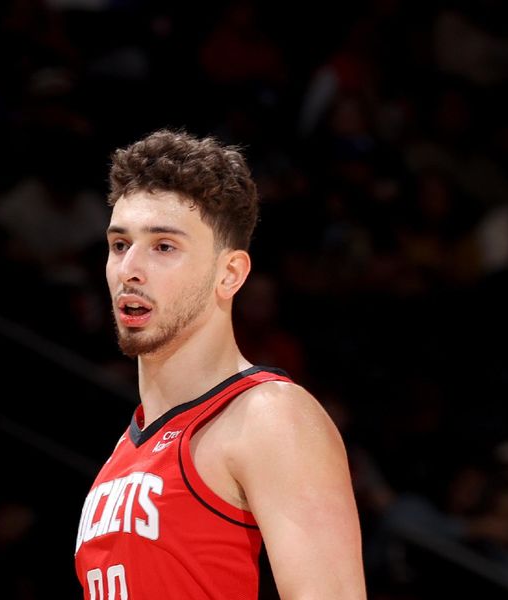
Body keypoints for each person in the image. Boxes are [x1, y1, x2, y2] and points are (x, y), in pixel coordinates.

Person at [74, 129, 366, 599]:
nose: (130, 268)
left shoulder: (270, 417)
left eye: (164, 246)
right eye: (119, 244)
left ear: (229, 274)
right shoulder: (124, 451)